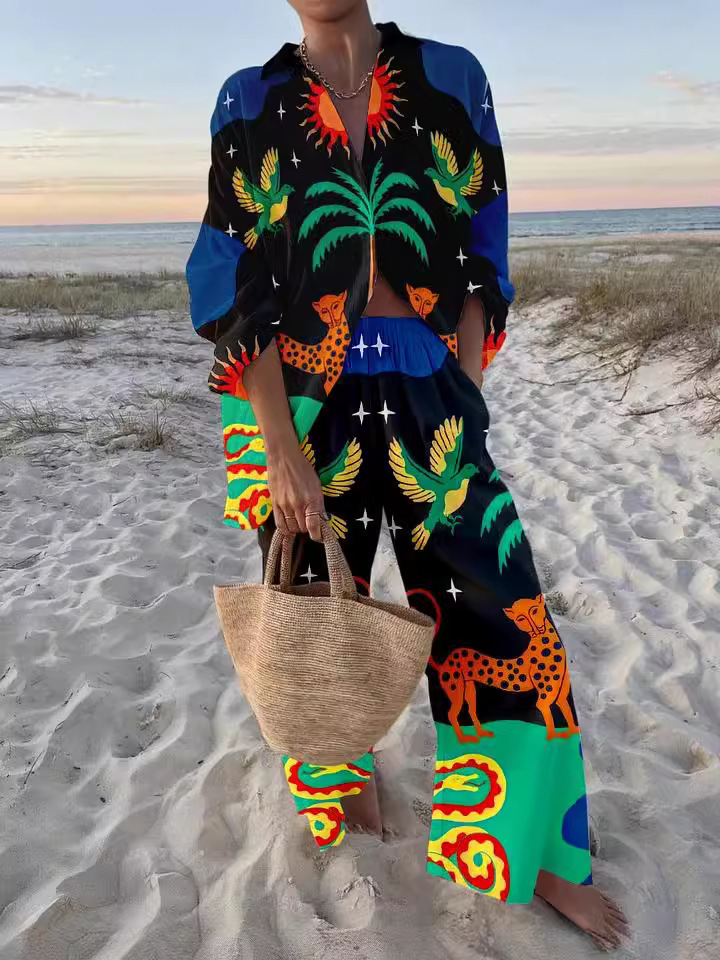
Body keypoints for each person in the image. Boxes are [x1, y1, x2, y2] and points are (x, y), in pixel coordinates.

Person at [186, 0, 629, 948]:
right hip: (301, 401)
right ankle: (345, 789)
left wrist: (464, 377)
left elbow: (484, 239)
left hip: (431, 384)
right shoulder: (248, 99)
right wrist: (279, 445)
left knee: (504, 613)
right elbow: (230, 276)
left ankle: (527, 845)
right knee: (314, 608)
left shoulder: (451, 77)